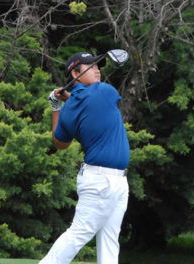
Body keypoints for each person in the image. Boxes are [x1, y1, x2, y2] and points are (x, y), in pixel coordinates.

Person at [40, 51, 130, 264]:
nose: (98, 70)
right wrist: (67, 100)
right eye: (91, 66)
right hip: (102, 181)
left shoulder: (69, 108)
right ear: (75, 73)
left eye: (98, 65)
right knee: (79, 232)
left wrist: (56, 106)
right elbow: (91, 102)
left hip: (114, 181)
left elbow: (59, 142)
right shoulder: (105, 92)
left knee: (109, 238)